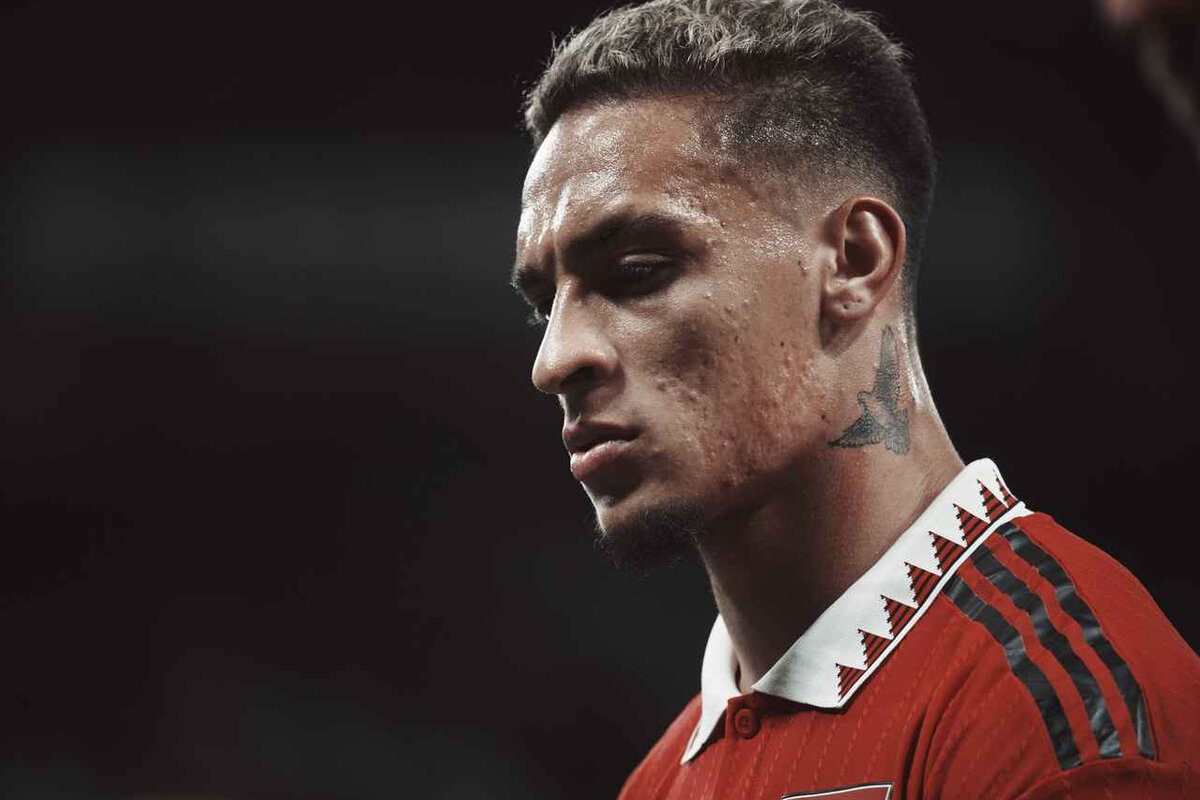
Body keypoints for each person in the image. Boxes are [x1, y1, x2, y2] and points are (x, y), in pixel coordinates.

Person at [510, 1, 1200, 797]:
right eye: (543, 305)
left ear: (853, 259)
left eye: (636, 273)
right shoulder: (657, 785)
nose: (555, 360)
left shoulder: (1068, 729)